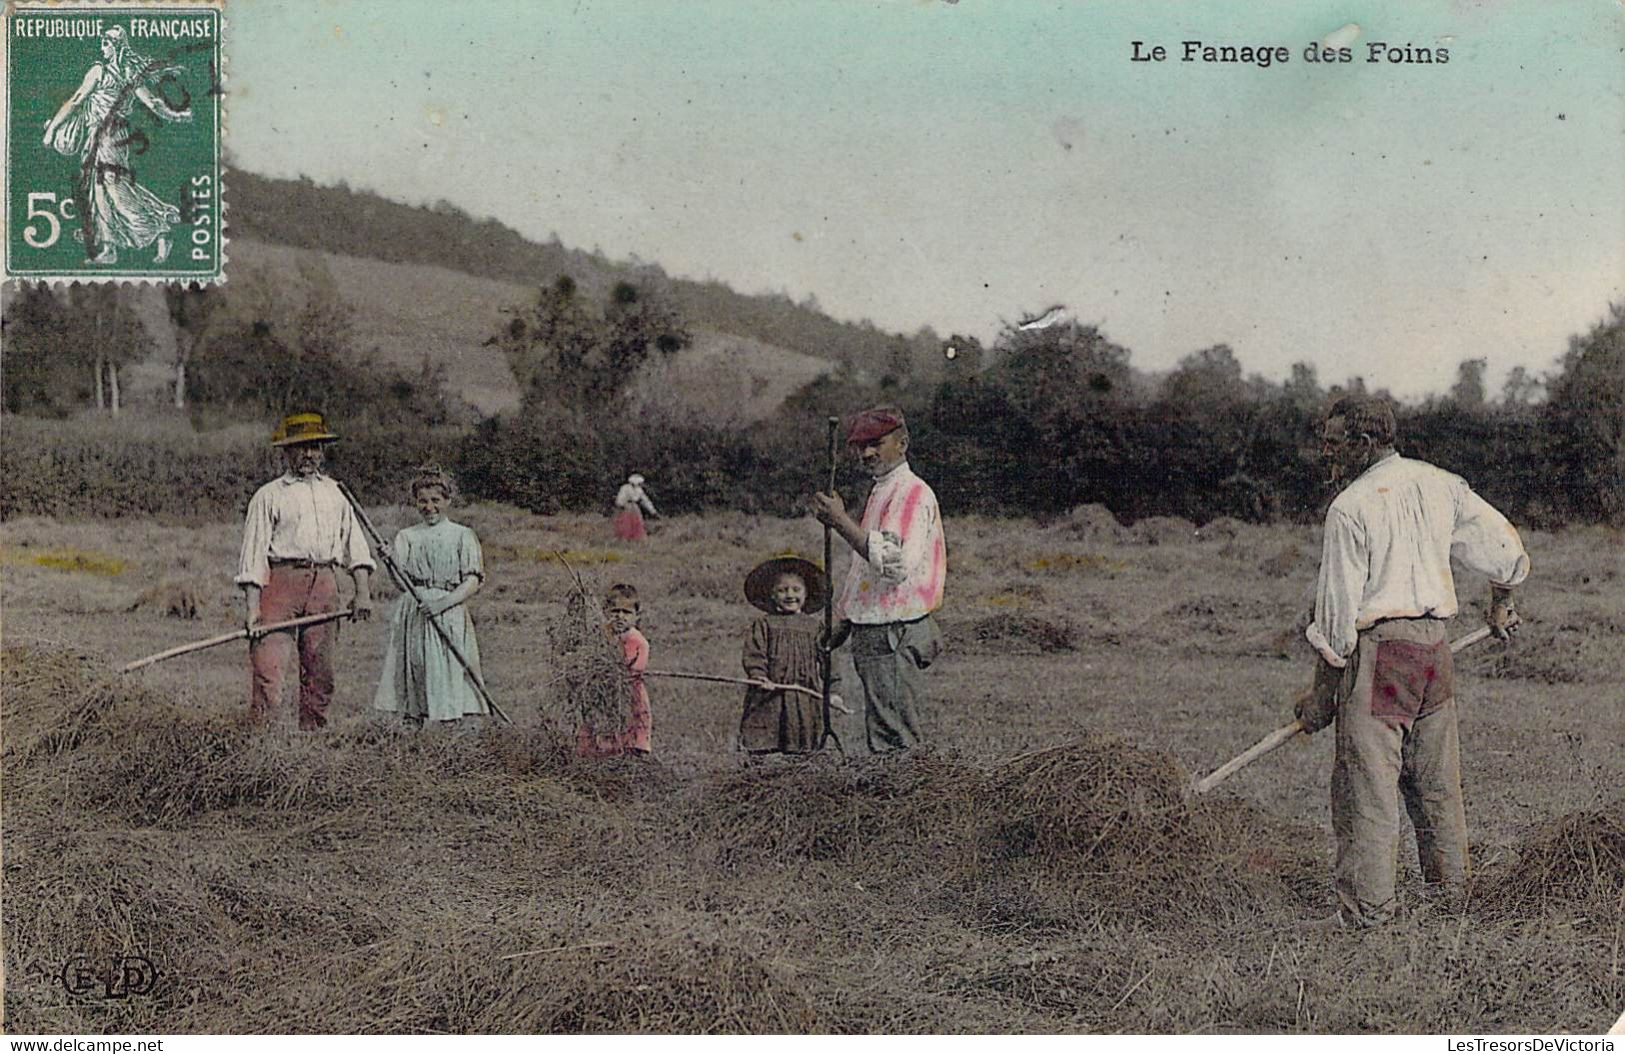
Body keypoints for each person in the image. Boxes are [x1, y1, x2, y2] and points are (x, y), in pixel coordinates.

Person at [1296, 395, 1528, 927]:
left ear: (1364, 443)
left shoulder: (1349, 509)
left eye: (1333, 445)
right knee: (1436, 785)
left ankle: (1366, 915)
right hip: (1433, 652)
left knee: (1367, 788)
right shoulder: (1441, 483)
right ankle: (1453, 902)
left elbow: (1336, 622)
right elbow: (1504, 546)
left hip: (1382, 654)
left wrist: (1321, 697)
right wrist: (1502, 600)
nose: (1327, 454)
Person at [812, 407, 947, 752]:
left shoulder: (910, 494)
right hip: (877, 626)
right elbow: (867, 566)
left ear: (902, 443)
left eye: (876, 443)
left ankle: (904, 803)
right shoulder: (883, 491)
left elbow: (894, 562)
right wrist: (845, 618)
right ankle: (889, 799)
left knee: (895, 736)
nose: (867, 453)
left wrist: (840, 522)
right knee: (884, 727)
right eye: (860, 446)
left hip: (894, 630)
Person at [236, 413, 375, 730]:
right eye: (301, 447)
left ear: (323, 451)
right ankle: (263, 744)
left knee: (320, 671)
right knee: (268, 670)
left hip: (324, 584)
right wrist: (253, 609)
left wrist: (362, 593)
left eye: (315, 447)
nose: (309, 455)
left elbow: (355, 545)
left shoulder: (336, 493)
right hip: (280, 583)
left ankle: (313, 744)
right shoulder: (269, 495)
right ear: (286, 451)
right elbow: (254, 554)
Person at [41, 25, 192, 265]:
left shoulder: (110, 71)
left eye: (106, 43)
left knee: (114, 188)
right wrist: (175, 115)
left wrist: (51, 130)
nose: (102, 48)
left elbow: (149, 101)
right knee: (98, 188)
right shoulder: (117, 71)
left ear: (116, 46)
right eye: (103, 43)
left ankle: (159, 228)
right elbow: (78, 99)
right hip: (99, 134)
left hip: (111, 136)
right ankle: (109, 246)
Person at [372, 466, 488, 727]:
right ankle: (414, 734)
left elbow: (473, 580)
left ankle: (451, 734)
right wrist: (391, 563)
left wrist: (443, 604)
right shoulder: (407, 537)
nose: (429, 507)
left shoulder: (463, 535)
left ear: (447, 500)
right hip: (415, 612)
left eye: (435, 500)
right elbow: (402, 585)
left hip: (449, 610)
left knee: (448, 669)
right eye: (422, 501)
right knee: (417, 668)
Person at [738, 556, 830, 755]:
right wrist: (759, 677)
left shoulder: (815, 627)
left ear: (806, 593)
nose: (790, 595)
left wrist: (835, 691)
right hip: (771, 693)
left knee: (802, 743)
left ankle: (798, 776)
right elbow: (755, 654)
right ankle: (759, 776)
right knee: (763, 738)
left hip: (803, 694)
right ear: (772, 594)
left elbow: (829, 663)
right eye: (782, 590)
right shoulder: (764, 624)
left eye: (796, 590)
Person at [576, 583, 653, 757]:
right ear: (606, 612)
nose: (620, 617)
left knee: (632, 732)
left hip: (629, 695)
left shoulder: (638, 641)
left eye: (626, 613)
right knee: (597, 729)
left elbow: (633, 669)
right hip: (603, 692)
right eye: (615, 611)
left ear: (636, 616)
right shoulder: (602, 635)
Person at [611, 474, 659, 541]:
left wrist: (653, 511)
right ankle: (624, 539)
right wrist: (622, 505)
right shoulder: (625, 488)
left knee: (637, 523)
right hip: (626, 507)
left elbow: (645, 501)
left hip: (634, 508)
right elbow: (620, 499)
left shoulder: (639, 490)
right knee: (626, 523)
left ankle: (635, 539)